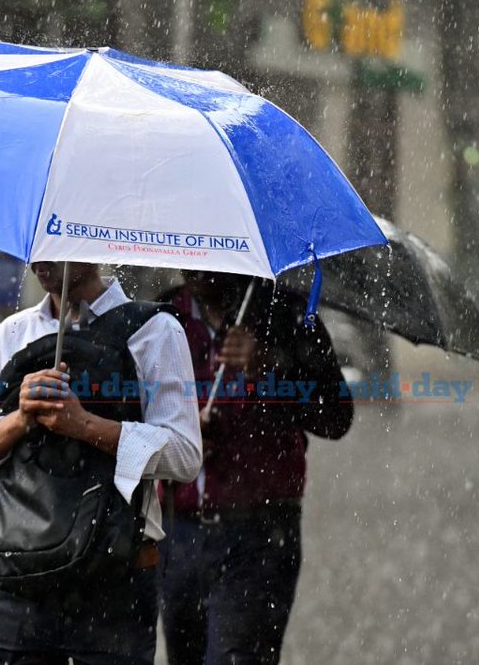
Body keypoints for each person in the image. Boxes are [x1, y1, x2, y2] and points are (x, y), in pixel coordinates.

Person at [0, 261, 203, 664]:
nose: (40, 262)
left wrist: (85, 425)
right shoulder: (13, 334)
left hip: (116, 578)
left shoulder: (154, 332)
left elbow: (185, 455)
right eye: (38, 247)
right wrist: (19, 418)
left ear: (91, 240)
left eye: (57, 244)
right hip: (19, 579)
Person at [157, 270, 353, 665]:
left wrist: (271, 366)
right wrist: (177, 433)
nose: (196, 269)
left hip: (259, 535)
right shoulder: (164, 317)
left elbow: (335, 415)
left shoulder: (287, 313)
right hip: (178, 534)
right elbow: (132, 414)